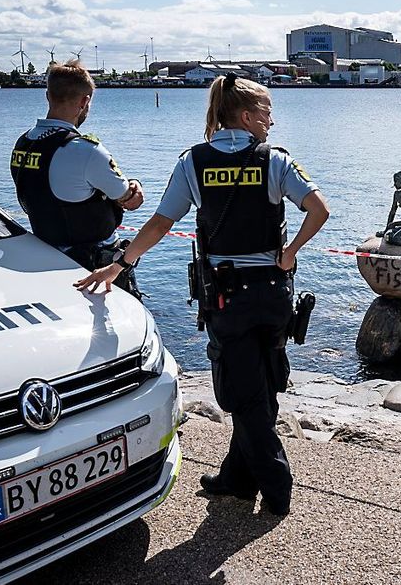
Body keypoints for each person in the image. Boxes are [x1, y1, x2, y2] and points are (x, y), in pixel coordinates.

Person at [75, 73, 329, 516]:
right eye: (267, 112)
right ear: (247, 116)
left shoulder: (193, 162)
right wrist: (289, 253)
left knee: (244, 389)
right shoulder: (276, 161)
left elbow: (159, 223)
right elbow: (319, 209)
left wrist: (122, 262)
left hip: (226, 297)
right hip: (273, 295)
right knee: (262, 381)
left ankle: (276, 483)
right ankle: (237, 477)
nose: (271, 120)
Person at [11, 59, 145, 297]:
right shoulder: (85, 150)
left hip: (45, 257)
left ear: (47, 96)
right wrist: (136, 186)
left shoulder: (24, 144)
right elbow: (130, 200)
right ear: (85, 102)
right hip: (93, 267)